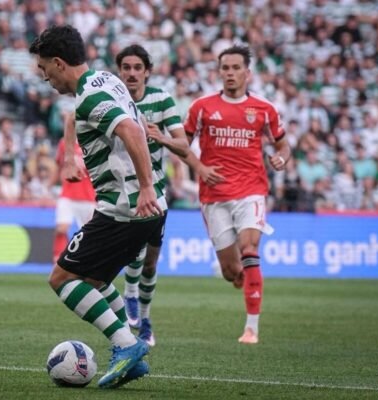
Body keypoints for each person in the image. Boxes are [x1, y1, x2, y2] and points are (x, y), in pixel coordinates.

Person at [29, 25, 165, 389]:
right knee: (94, 280)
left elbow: (131, 131)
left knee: (61, 279)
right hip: (142, 206)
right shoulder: (103, 80)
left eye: (44, 68)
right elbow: (93, 118)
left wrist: (145, 186)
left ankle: (126, 345)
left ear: (59, 63)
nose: (44, 76)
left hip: (126, 208)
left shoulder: (89, 96)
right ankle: (130, 354)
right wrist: (70, 157)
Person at [115, 44, 224, 347]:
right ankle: (130, 294)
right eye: (126, 67)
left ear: (147, 72)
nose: (132, 73)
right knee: (136, 252)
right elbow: (75, 119)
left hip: (156, 189)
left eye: (138, 68)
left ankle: (145, 319)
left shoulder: (161, 99)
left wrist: (159, 136)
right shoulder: (112, 99)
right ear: (119, 71)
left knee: (150, 262)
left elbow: (183, 144)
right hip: (124, 189)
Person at [184, 45, 291, 344]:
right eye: (225, 68)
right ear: (219, 72)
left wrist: (281, 158)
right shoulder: (202, 107)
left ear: (247, 72)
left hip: (251, 190)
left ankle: (251, 328)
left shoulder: (264, 109)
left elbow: (283, 145)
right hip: (213, 195)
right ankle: (243, 278)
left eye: (235, 68)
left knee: (250, 248)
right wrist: (199, 167)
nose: (230, 73)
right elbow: (182, 144)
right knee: (231, 271)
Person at [52, 113, 96, 263]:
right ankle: (57, 260)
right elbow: (59, 166)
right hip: (68, 194)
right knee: (61, 228)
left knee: (89, 234)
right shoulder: (64, 143)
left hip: (89, 196)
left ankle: (86, 261)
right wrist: (50, 186)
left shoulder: (93, 143)